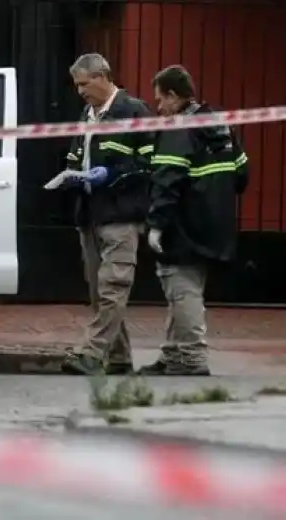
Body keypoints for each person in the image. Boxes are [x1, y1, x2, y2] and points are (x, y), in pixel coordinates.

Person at [139, 65, 248, 376]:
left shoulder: (179, 129)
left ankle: (192, 356)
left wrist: (157, 224)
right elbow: (241, 175)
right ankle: (174, 355)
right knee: (184, 286)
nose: (159, 108)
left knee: (181, 286)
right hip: (215, 223)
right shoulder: (219, 125)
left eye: (160, 100)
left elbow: (167, 179)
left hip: (183, 225)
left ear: (174, 96)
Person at [57, 53, 155, 376]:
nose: (81, 91)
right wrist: (72, 174)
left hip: (121, 215)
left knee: (114, 286)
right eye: (77, 86)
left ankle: (92, 353)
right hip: (90, 214)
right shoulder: (86, 114)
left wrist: (112, 175)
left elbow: (148, 164)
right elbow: (75, 154)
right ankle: (119, 356)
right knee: (99, 293)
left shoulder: (133, 111)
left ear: (103, 76)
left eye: (85, 84)